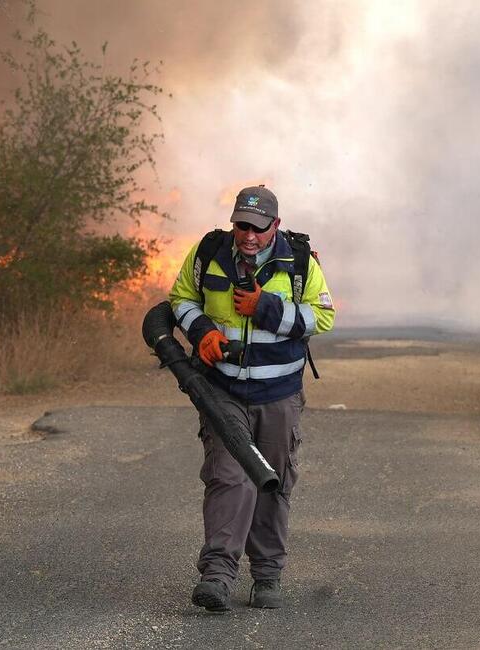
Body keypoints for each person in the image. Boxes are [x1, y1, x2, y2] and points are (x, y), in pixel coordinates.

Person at [168, 185, 335, 611]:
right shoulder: (209, 253)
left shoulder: (298, 263)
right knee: (228, 477)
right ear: (234, 222)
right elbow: (182, 298)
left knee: (272, 482)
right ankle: (218, 577)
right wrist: (202, 329)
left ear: (274, 225)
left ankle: (267, 577)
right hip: (222, 392)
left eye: (259, 228)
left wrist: (268, 308)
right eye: (242, 225)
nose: (249, 236)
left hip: (279, 395)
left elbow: (324, 317)